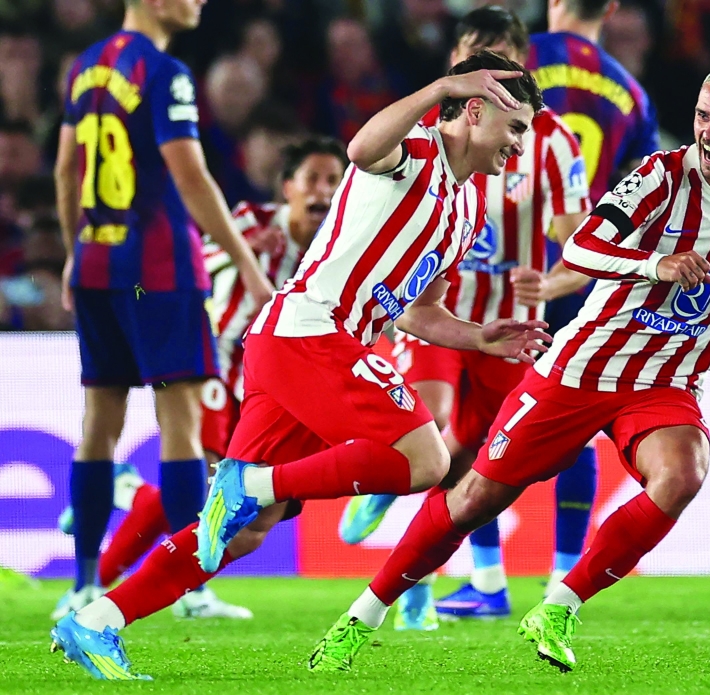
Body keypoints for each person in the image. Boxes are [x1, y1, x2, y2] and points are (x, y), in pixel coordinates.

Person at [309, 61, 710, 674]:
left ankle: (560, 606)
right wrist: (654, 265)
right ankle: (365, 613)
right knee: (473, 501)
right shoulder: (659, 176)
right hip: (580, 370)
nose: (709, 131)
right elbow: (581, 245)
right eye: (703, 115)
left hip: (665, 384)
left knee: (682, 475)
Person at [51, 49, 548, 681]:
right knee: (427, 461)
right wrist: (440, 85)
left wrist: (479, 337)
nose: (519, 145)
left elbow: (418, 312)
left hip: (313, 347)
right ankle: (250, 484)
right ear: (474, 110)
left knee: (246, 532)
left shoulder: (469, 208)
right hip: (309, 333)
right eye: (515, 128)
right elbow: (362, 150)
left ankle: (96, 621)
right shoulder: (414, 152)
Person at [337, 6, 592, 630]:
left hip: (505, 328)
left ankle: (433, 571)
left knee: (476, 456)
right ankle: (456, 570)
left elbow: (580, 248)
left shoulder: (551, 142)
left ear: (522, 61)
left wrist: (551, 282)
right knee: (437, 423)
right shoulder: (430, 129)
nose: (487, 69)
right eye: (474, 55)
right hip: (434, 313)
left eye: (499, 55)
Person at [54, 138, 348, 618]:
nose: (323, 190)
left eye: (333, 181)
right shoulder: (254, 220)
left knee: (223, 503)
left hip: (270, 388)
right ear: (289, 187)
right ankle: (116, 588)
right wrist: (243, 251)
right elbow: (192, 265)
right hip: (218, 360)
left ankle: (126, 499)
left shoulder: (335, 245)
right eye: (313, 178)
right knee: (202, 487)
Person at [437, 0, 663, 617]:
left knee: (476, 432)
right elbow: (646, 186)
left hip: (491, 279)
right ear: (611, 8)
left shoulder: (521, 59)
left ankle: (486, 580)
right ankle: (563, 580)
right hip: (573, 273)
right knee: (577, 434)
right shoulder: (631, 92)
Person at [50, 0, 273, 622]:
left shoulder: (85, 67)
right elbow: (192, 178)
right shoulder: (165, 72)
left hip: (97, 262)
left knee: (99, 422)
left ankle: (84, 584)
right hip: (157, 271)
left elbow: (67, 170)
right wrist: (250, 270)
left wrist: (75, 253)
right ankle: (190, 587)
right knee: (181, 426)